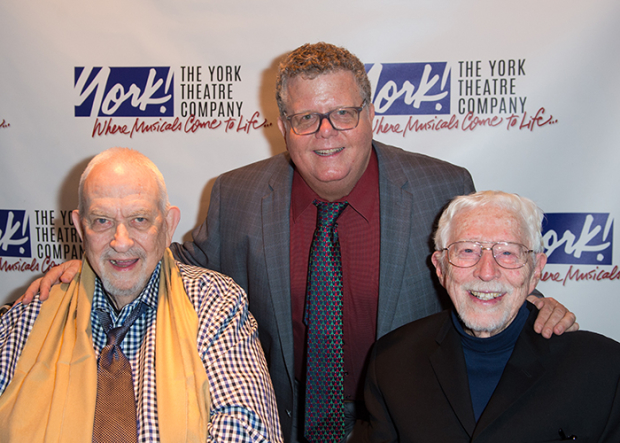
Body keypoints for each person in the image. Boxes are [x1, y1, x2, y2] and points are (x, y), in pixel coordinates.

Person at [21, 43, 577, 443]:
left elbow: (480, 274)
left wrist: (535, 306)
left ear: (369, 115)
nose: (326, 132)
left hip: (408, 424)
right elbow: (174, 266)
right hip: (283, 427)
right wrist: (87, 272)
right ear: (281, 125)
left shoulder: (442, 185)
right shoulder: (237, 194)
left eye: (342, 113)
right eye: (306, 118)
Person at [0, 148, 282, 442]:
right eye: (101, 221)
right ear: (80, 229)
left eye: (139, 220)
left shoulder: (213, 304)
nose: (120, 242)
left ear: (169, 224)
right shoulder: (28, 318)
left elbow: (249, 432)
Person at [357, 191, 620, 442]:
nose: (486, 272)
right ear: (440, 268)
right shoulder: (393, 362)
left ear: (536, 270)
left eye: (507, 252)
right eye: (468, 251)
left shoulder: (604, 367)